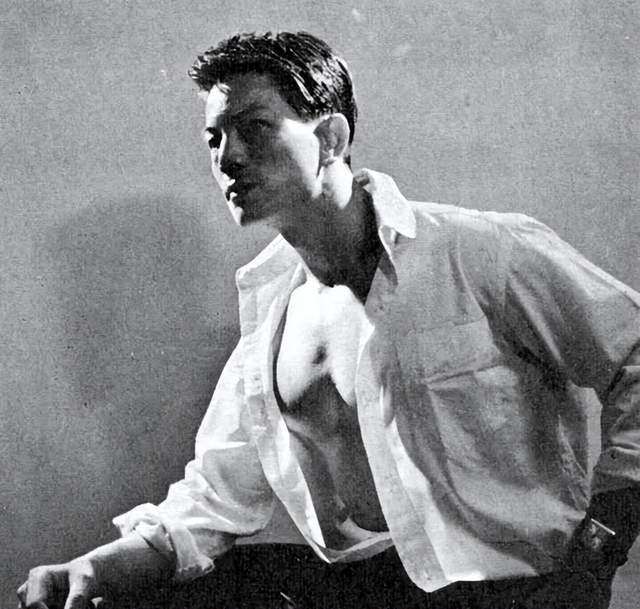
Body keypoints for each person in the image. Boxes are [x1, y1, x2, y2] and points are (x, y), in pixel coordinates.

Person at [18, 31, 640, 609]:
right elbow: (212, 500)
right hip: (366, 589)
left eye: (254, 127)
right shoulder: (272, 315)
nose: (228, 157)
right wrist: (93, 567)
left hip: (512, 590)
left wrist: (601, 541)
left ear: (331, 138)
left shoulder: (481, 252)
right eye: (213, 138)